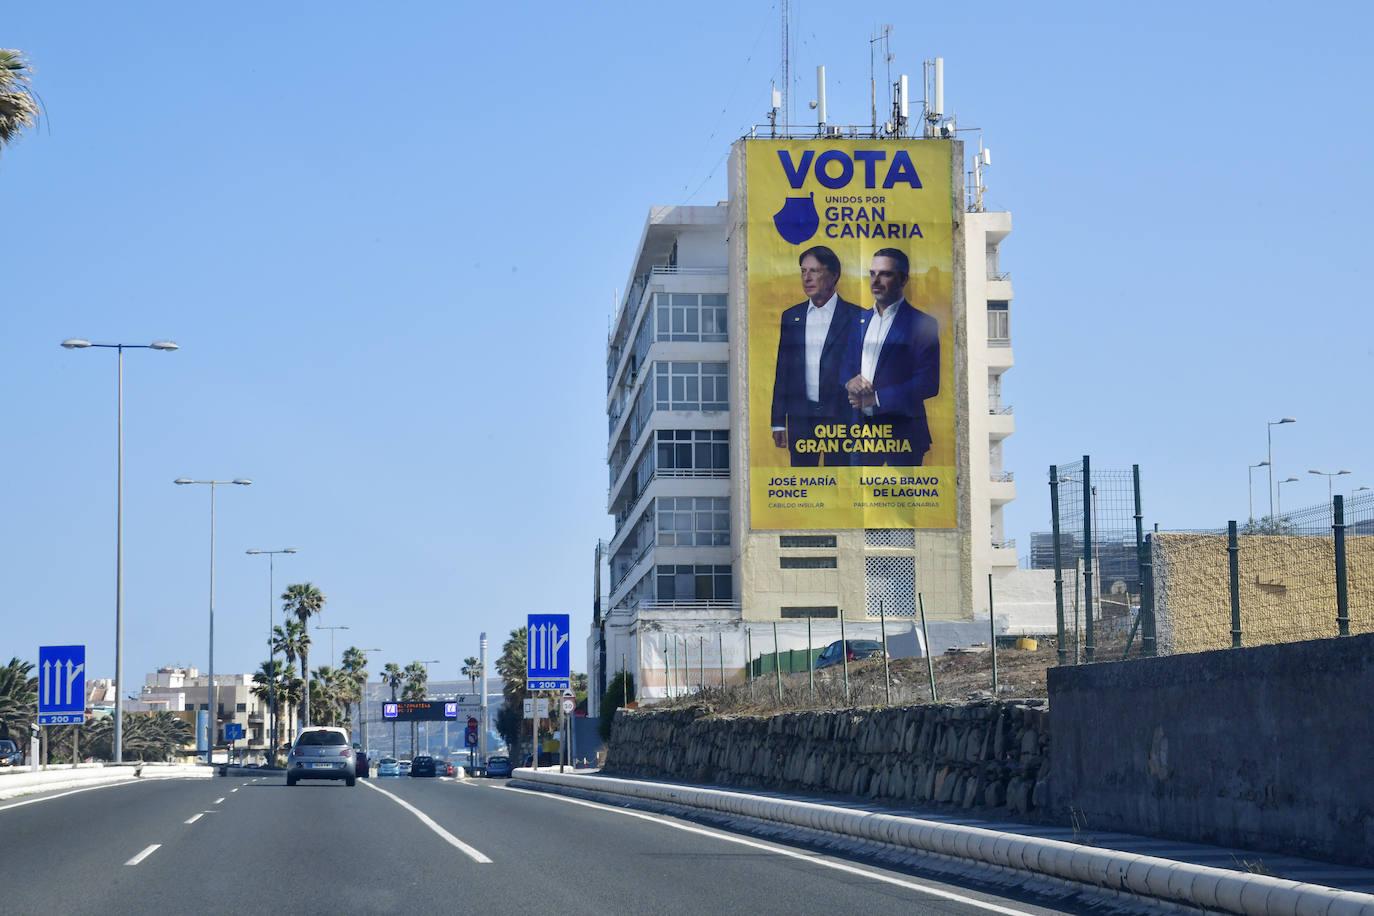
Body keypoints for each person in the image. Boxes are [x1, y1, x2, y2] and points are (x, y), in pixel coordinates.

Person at [843, 248, 940, 466]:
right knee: (856, 490)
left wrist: (877, 398)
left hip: (903, 434)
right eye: (872, 273)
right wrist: (849, 381)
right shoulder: (859, 320)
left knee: (902, 491)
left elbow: (928, 382)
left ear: (903, 279)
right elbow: (845, 366)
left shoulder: (922, 323)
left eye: (885, 274)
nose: (876, 281)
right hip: (860, 433)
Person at [769, 245, 864, 467]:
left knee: (841, 481)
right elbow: (783, 371)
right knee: (804, 483)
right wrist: (778, 422)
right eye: (803, 271)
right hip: (801, 418)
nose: (807, 278)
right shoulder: (792, 316)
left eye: (815, 271)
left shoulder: (857, 317)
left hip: (842, 418)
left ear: (834, 275)